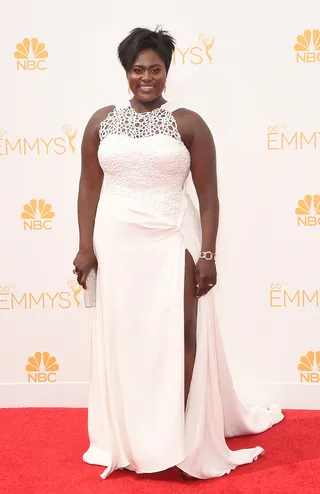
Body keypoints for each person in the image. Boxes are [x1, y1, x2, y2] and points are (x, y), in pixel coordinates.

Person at [73, 26, 284, 481]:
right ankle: (131, 437)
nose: (146, 78)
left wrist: (208, 253)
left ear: (167, 72)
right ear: (125, 72)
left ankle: (180, 437)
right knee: (125, 336)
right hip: (117, 243)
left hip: (173, 237)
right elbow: (89, 186)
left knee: (182, 333)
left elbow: (208, 195)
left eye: (156, 69)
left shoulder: (188, 122)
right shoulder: (101, 122)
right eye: (137, 70)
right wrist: (85, 245)